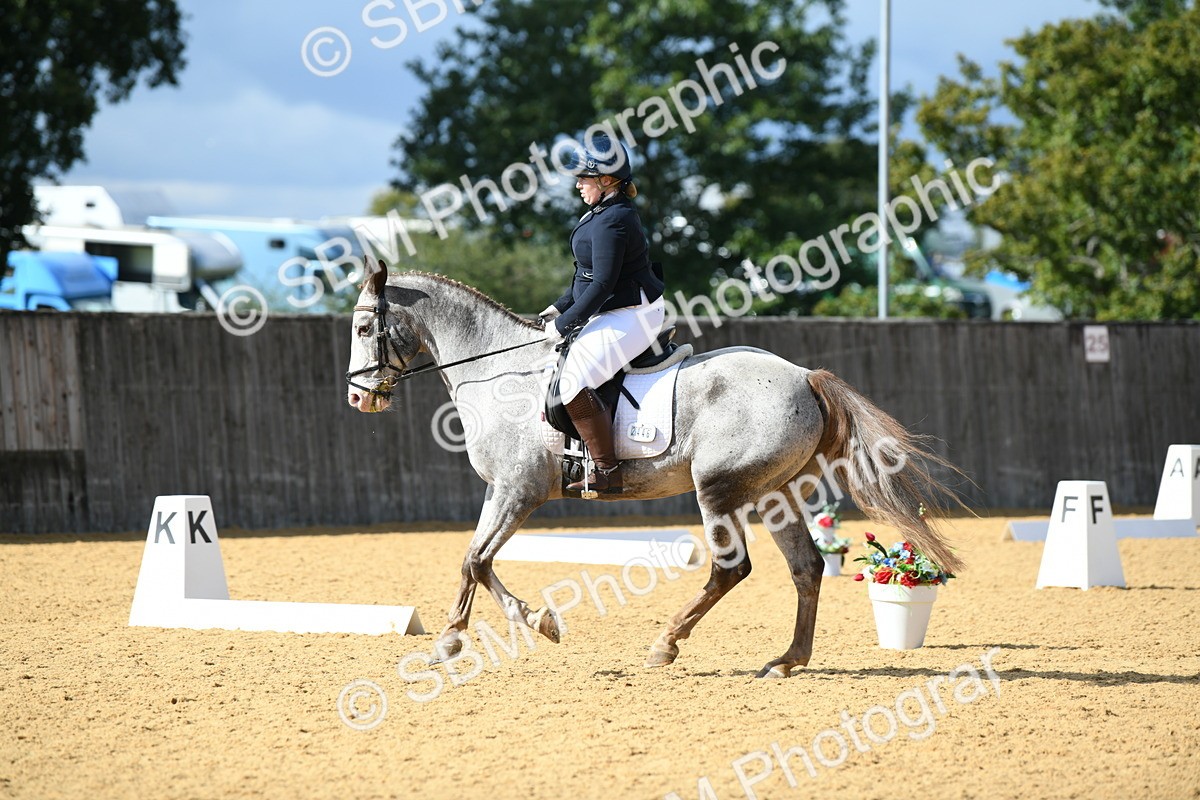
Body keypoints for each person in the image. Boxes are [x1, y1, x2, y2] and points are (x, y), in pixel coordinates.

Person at [540, 132, 666, 494]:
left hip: (632, 312)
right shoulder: (601, 211)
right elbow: (585, 276)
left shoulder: (614, 220)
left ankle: (608, 471)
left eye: (584, 178)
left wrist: (564, 326)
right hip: (613, 306)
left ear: (607, 180)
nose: (578, 184)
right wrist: (557, 307)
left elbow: (603, 286)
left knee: (573, 381)